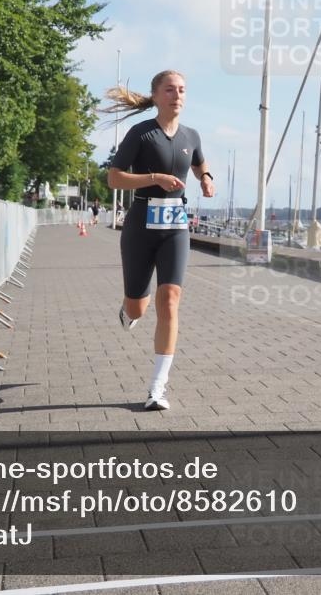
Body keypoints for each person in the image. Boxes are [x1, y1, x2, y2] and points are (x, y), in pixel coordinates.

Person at [105, 70, 215, 411]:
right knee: (138, 305)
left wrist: (206, 179)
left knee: (169, 301)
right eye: (170, 90)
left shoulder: (191, 135)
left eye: (182, 90)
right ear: (156, 96)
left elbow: (198, 162)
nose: (177, 95)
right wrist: (154, 178)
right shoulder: (141, 133)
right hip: (140, 224)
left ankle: (157, 388)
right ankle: (129, 309)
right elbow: (113, 178)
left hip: (175, 227)